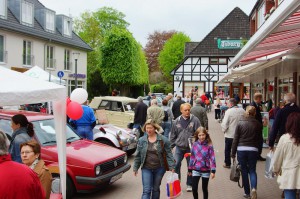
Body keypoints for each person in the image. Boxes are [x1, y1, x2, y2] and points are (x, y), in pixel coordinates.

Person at [133, 120, 175, 199]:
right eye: (147, 128)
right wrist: (135, 168)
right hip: (146, 168)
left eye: (150, 128)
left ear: (155, 128)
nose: (148, 130)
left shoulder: (163, 140)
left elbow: (169, 154)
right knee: (147, 190)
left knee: (155, 189)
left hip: (159, 168)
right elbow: (138, 155)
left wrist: (172, 166)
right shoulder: (142, 140)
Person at [0, 131, 46, 198]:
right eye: (22, 153)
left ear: (37, 155)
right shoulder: (28, 171)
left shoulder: (37, 172)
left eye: (27, 152)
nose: (24, 155)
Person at [231, 106, 263, 199]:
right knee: (252, 170)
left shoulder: (240, 123)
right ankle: (254, 188)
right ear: (255, 113)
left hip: (241, 149)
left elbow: (235, 139)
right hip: (253, 149)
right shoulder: (257, 124)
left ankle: (247, 193)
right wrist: (259, 151)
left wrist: (233, 153)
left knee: (244, 171)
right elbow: (259, 139)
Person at [170, 103, 201, 192]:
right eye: (185, 110)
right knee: (176, 164)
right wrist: (171, 146)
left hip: (190, 148)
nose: (187, 112)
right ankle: (177, 182)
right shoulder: (176, 121)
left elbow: (199, 133)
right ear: (181, 111)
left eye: (188, 110)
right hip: (179, 147)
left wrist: (198, 145)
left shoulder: (195, 120)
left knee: (191, 166)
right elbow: (172, 135)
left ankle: (189, 184)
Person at [272, 112, 300, 199]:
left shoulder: (284, 138)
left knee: (289, 194)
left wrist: (275, 169)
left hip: (289, 174)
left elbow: (278, 157)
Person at [188, 127, 216, 199]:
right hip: (195, 169)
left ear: (206, 135)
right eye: (199, 135)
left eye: (203, 135)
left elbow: (212, 158)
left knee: (204, 189)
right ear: (197, 136)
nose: (201, 137)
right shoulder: (195, 144)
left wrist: (213, 170)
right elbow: (192, 157)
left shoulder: (209, 145)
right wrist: (190, 169)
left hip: (205, 170)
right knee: (194, 188)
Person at [221, 98, 245, 168]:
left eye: (228, 103)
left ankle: (227, 163)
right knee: (239, 149)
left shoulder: (229, 111)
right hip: (240, 134)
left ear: (231, 104)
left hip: (230, 134)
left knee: (228, 149)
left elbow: (225, 123)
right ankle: (239, 163)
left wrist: (224, 130)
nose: (227, 104)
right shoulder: (242, 110)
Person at [250, 92, 266, 161]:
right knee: (258, 141)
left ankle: (257, 155)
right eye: (260, 98)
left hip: (257, 126)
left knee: (259, 142)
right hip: (255, 127)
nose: (261, 100)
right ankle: (257, 155)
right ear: (258, 98)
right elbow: (253, 117)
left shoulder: (256, 105)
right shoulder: (253, 106)